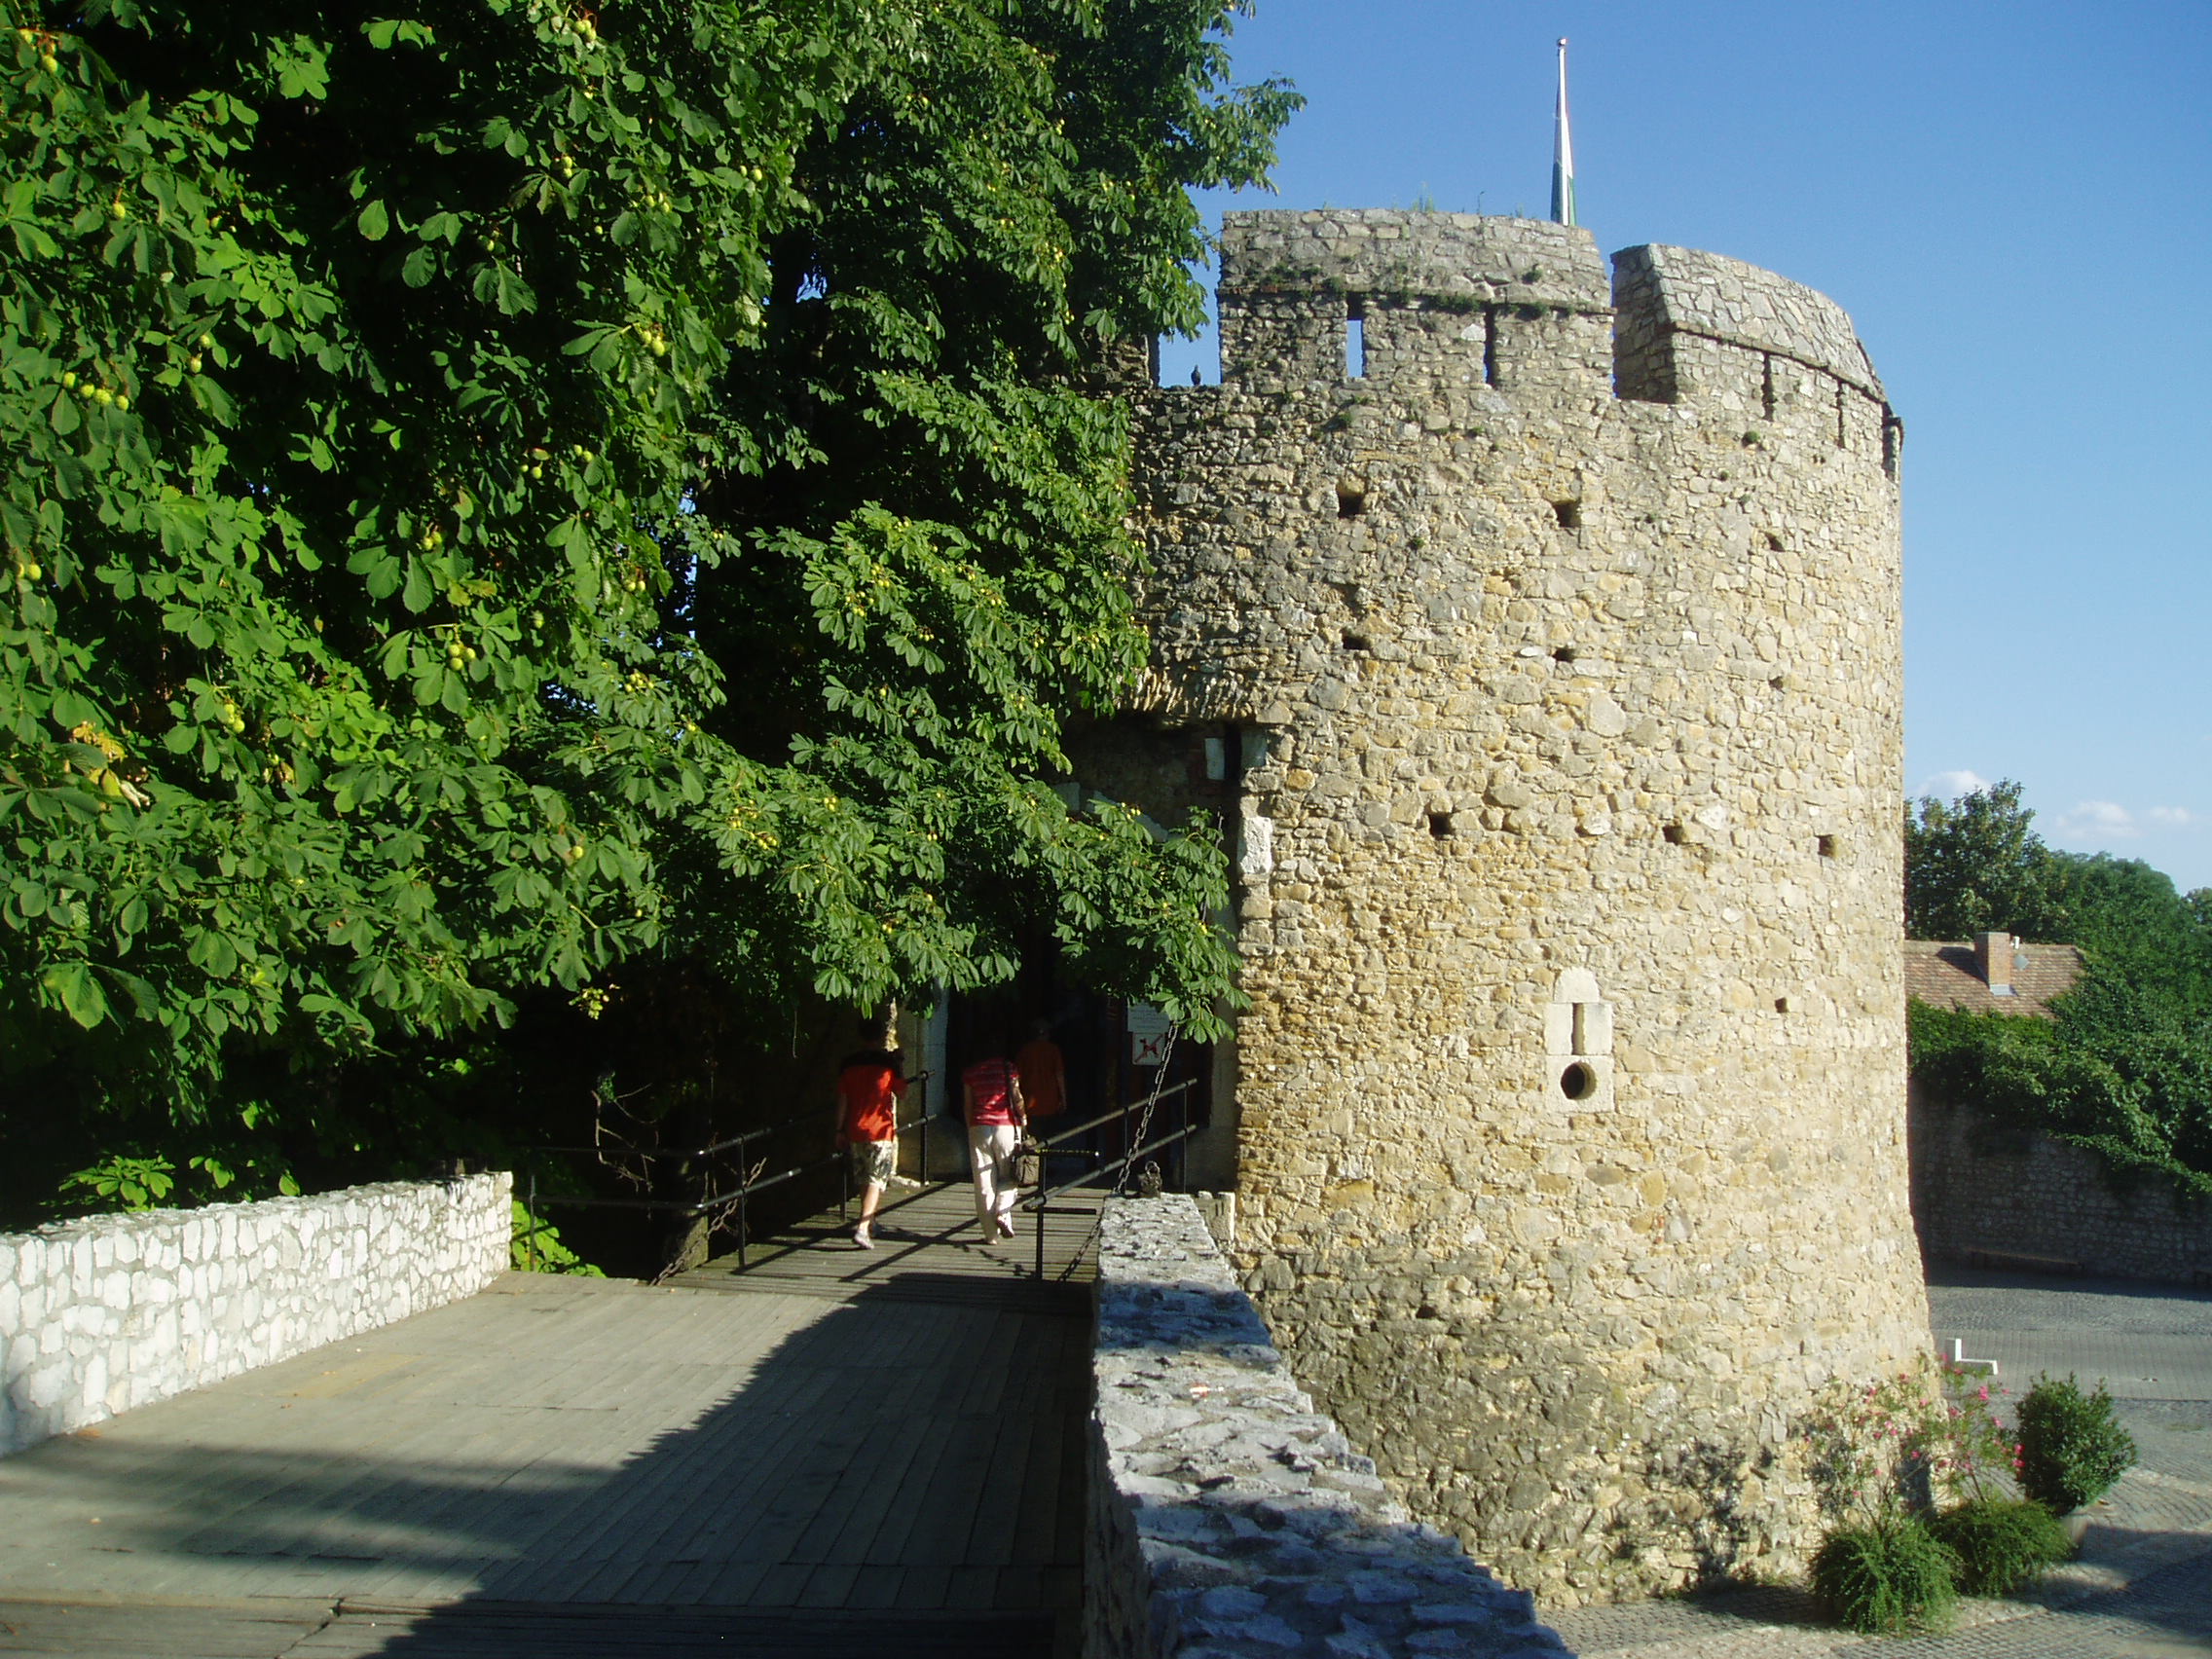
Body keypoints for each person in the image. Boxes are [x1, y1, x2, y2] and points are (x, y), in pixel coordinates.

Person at [833, 1014, 906, 1249]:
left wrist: (839, 1129)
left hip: (855, 1128)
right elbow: (902, 1093)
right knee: (876, 1179)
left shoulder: (848, 1064)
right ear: (880, 1036)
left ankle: (871, 1221)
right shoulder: (888, 1064)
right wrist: (899, 1064)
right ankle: (863, 1228)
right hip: (879, 1130)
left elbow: (842, 1100)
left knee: (864, 1177)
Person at [961, 1045, 1027, 1240]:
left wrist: (970, 1128)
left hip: (979, 1127)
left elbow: (968, 1105)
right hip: (1005, 1127)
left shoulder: (970, 1073)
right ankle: (1002, 1212)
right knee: (1010, 1174)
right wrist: (1023, 1118)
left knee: (983, 1183)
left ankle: (990, 1235)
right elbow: (1016, 1097)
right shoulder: (1008, 1068)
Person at [1014, 1017, 1067, 1127]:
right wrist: (1063, 1099)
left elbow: (1017, 1078)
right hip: (1051, 1102)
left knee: (1033, 1136)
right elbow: (1059, 1076)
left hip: (1029, 1103)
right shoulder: (1053, 1050)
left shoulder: (1025, 1051)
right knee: (1050, 1135)